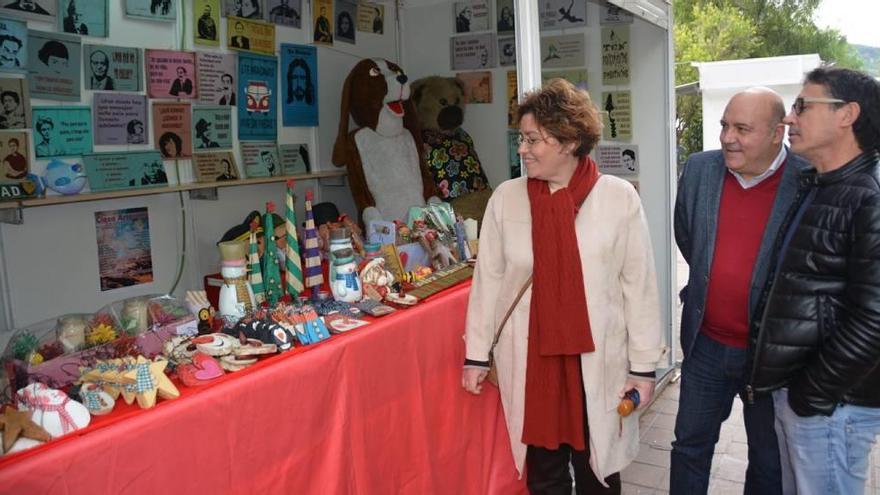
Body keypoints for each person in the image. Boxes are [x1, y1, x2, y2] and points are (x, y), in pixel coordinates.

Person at [462, 79, 662, 494]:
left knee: (599, 474)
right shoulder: (507, 198)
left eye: (533, 139)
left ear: (569, 141)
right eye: (522, 138)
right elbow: (489, 282)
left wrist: (642, 368)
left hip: (596, 360)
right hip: (535, 364)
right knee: (544, 476)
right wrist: (476, 356)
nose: (522, 149)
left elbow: (638, 288)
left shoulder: (618, 198)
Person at [670, 87, 809, 495]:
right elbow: (687, 235)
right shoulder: (699, 170)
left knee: (769, 462)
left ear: (776, 133)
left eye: (742, 128)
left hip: (770, 355)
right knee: (689, 448)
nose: (728, 137)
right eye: (725, 126)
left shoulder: (807, 179)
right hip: (705, 347)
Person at [749, 67, 880, 495]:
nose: (790, 118)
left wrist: (811, 395)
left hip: (832, 405)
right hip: (811, 397)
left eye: (803, 105)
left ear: (848, 115)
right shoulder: (823, 185)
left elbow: (874, 320)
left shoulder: (868, 197)